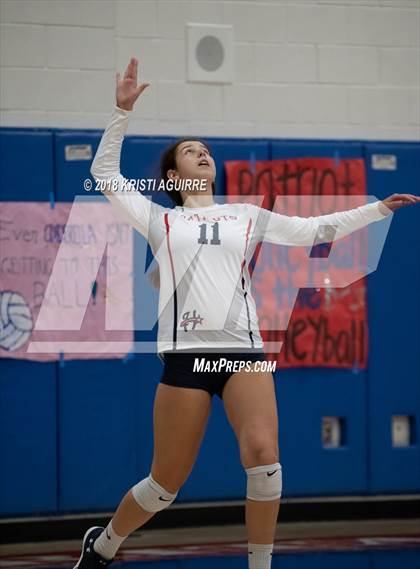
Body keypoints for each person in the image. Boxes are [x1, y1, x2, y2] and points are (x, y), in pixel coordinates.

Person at [74, 58, 420, 569]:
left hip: (243, 354)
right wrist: (121, 111)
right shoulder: (158, 219)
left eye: (207, 151)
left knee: (264, 459)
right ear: (174, 175)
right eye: (192, 152)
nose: (203, 155)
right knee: (164, 485)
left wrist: (377, 209)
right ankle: (103, 545)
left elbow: (312, 231)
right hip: (186, 359)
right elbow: (102, 174)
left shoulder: (247, 216)